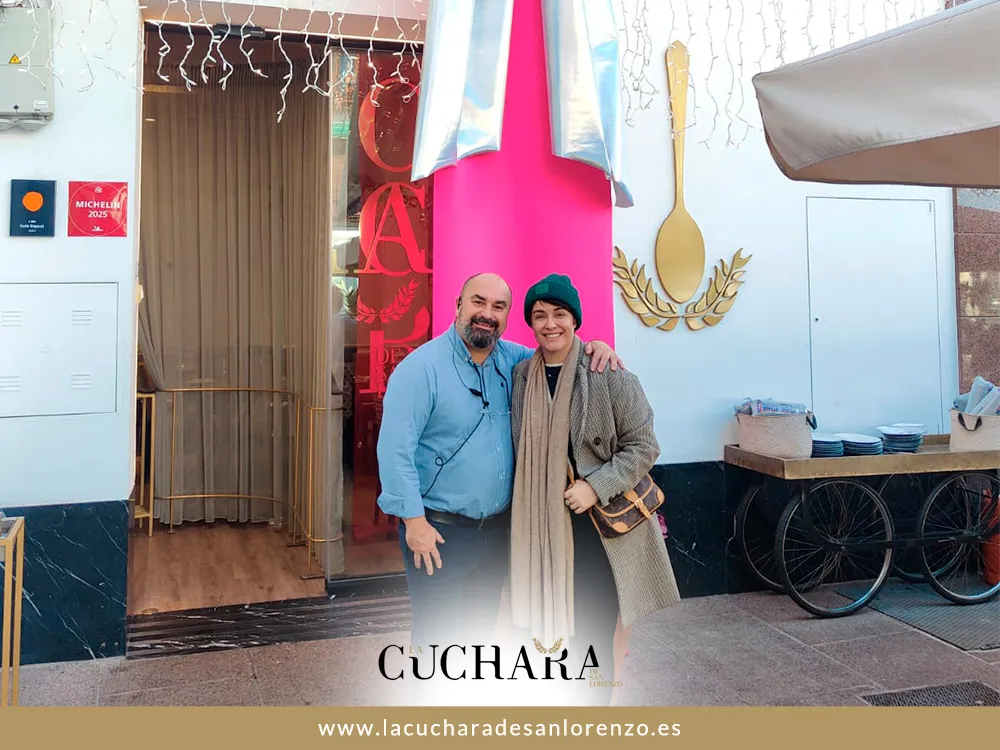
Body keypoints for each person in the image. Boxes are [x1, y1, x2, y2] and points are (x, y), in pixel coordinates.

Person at [375, 273, 623, 669]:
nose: (486, 314)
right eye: (478, 302)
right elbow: (394, 451)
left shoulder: (516, 362)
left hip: (497, 535)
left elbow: (560, 352)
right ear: (458, 305)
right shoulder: (419, 369)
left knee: (477, 639)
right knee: (435, 642)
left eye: (498, 307)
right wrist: (414, 523)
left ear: (507, 316)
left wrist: (594, 347)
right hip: (439, 534)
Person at [509, 273, 681, 707]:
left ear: (575, 320)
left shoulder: (608, 373)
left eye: (560, 314)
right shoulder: (521, 376)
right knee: (549, 639)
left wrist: (594, 486)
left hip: (596, 532)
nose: (550, 324)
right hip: (541, 528)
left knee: (591, 633)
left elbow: (644, 446)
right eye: (539, 315)